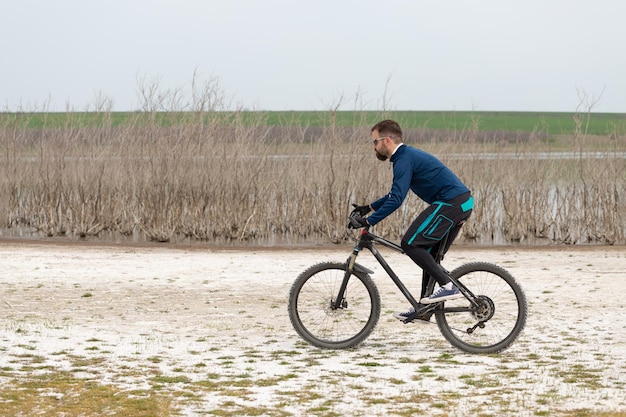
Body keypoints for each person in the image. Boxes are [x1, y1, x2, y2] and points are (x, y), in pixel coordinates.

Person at [349, 119, 474, 322]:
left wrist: (369, 221)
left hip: (452, 203)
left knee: (410, 243)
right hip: (461, 204)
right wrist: (368, 208)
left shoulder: (403, 159)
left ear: (386, 140)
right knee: (430, 256)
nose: (374, 147)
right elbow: (393, 195)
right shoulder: (406, 157)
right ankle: (425, 308)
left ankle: (448, 286)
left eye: (375, 142)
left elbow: (397, 199)